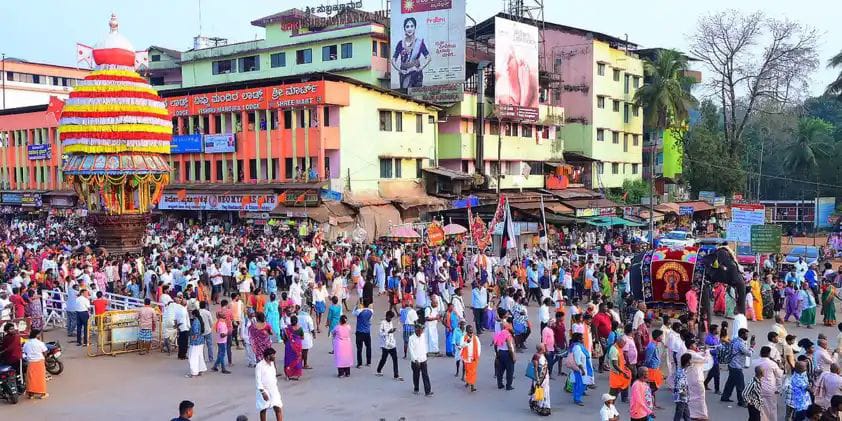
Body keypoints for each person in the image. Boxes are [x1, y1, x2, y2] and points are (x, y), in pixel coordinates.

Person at [390, 17, 431, 89]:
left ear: (415, 28)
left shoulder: (419, 43)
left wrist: (420, 68)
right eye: (407, 26)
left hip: (416, 74)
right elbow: (393, 60)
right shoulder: (400, 43)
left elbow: (428, 58)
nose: (410, 29)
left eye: (412, 26)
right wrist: (400, 70)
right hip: (404, 74)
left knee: (417, 94)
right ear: (404, 29)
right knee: (405, 94)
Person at [722, 328, 754, 405]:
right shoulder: (740, 344)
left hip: (732, 364)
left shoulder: (735, 340)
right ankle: (741, 401)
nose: (747, 336)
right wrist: (752, 346)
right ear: (742, 335)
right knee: (740, 385)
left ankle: (725, 397)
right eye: (746, 335)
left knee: (730, 383)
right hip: (737, 366)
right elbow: (749, 354)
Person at [756, 346, 784, 421]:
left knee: (761, 408)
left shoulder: (755, 362)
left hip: (758, 388)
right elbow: (779, 375)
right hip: (770, 389)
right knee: (772, 408)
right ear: (769, 354)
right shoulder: (772, 364)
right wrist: (779, 388)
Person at [256, 348, 284, 421]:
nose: (275, 356)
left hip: (273, 389)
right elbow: (258, 380)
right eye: (273, 355)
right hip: (264, 390)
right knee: (263, 409)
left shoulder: (272, 364)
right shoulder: (259, 366)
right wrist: (263, 392)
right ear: (268, 356)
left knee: (278, 407)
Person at [375, 310, 402, 381]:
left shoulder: (391, 322)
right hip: (385, 345)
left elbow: (391, 332)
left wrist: (392, 331)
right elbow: (380, 333)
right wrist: (388, 332)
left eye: (391, 318)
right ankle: (378, 370)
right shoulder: (383, 323)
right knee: (384, 359)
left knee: (395, 359)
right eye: (390, 317)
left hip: (392, 344)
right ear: (387, 316)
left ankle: (396, 375)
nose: (390, 319)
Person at [22, 328, 48, 399]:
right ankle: (42, 394)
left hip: (31, 362)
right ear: (36, 335)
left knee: (31, 378)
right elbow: (45, 352)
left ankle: (31, 394)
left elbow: (24, 352)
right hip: (39, 362)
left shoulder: (27, 343)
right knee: (41, 378)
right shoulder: (40, 343)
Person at [408, 323, 432, 396]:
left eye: (422, 330)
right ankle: (416, 388)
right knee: (416, 375)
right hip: (416, 361)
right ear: (416, 330)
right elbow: (411, 350)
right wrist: (415, 360)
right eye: (419, 330)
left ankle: (427, 391)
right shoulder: (411, 338)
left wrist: (426, 354)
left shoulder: (423, 336)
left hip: (423, 359)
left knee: (425, 375)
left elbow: (425, 345)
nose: (421, 332)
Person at [529, 343, 551, 416]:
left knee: (545, 392)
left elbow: (548, 353)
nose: (545, 348)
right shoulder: (536, 356)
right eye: (544, 347)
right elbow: (535, 369)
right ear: (541, 349)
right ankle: (541, 407)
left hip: (545, 378)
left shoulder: (542, 355)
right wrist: (538, 380)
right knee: (541, 392)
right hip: (540, 378)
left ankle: (543, 406)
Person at [494, 322, 517, 391]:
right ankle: (508, 386)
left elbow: (495, 344)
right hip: (507, 354)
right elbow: (510, 346)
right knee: (510, 370)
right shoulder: (508, 335)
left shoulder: (499, 333)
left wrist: (497, 353)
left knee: (500, 370)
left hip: (500, 352)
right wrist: (513, 356)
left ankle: (500, 384)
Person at [186, 309, 207, 378]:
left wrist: (193, 337)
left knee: (192, 357)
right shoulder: (200, 320)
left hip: (195, 342)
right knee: (199, 356)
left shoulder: (195, 321)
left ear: (194, 314)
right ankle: (200, 370)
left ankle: (194, 373)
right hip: (201, 341)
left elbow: (196, 331)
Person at [460, 324, 481, 392]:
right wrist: (466, 342)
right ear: (466, 332)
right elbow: (461, 346)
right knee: (467, 370)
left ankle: (472, 385)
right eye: (469, 332)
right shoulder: (463, 338)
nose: (471, 333)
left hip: (474, 357)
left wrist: (477, 356)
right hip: (466, 357)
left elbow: (479, 347)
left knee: (473, 371)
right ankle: (468, 382)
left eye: (472, 332)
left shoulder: (476, 338)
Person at [283, 315, 303, 381]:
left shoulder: (287, 329)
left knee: (288, 359)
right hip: (298, 345)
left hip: (289, 345)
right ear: (297, 321)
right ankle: (297, 375)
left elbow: (284, 338)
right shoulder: (300, 328)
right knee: (297, 359)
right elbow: (302, 337)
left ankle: (288, 375)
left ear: (291, 321)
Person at [353, 302, 373, 368]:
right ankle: (368, 362)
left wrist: (356, 306)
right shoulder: (371, 312)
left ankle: (360, 364)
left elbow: (353, 313)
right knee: (368, 347)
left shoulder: (359, 311)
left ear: (362, 304)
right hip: (367, 332)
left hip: (359, 331)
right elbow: (370, 320)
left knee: (359, 348)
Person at [674, 353, 691, 421]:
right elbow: (680, 385)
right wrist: (685, 395)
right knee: (679, 413)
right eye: (689, 360)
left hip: (682, 395)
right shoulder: (681, 373)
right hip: (681, 396)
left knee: (686, 413)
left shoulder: (682, 371)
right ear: (687, 362)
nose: (690, 362)